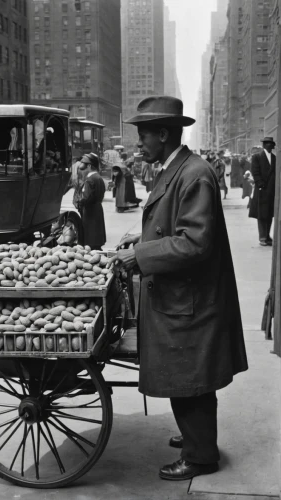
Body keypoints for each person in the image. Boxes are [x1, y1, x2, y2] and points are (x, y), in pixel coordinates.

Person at [114, 95, 248, 481]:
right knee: (185, 373)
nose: (138, 143)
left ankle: (201, 456)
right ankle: (196, 438)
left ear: (164, 133)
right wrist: (138, 242)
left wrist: (140, 256)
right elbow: (170, 228)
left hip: (191, 299)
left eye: (143, 135)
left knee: (190, 375)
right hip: (181, 294)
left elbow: (194, 242)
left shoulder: (194, 174)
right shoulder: (176, 169)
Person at [249, 137, 276, 246]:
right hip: (262, 190)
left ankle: (267, 236)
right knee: (261, 214)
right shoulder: (257, 157)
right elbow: (255, 172)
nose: (270, 145)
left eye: (271, 144)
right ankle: (262, 237)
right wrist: (260, 184)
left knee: (269, 214)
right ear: (264, 145)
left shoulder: (275, 158)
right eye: (268, 143)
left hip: (272, 190)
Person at [77, 152, 106, 250]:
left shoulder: (90, 179)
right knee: (97, 234)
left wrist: (80, 203)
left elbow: (86, 197)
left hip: (90, 211)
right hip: (97, 208)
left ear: (89, 166)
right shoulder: (98, 177)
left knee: (90, 236)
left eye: (84, 165)